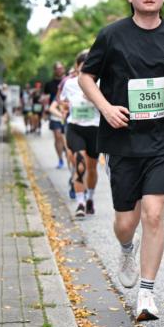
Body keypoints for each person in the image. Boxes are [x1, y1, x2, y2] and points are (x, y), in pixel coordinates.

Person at [79, 0, 164, 322]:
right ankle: (125, 248)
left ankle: (147, 294)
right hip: (122, 139)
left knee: (153, 213)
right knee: (125, 221)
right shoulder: (112, 36)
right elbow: (86, 76)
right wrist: (105, 107)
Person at [52, 51, 100, 219]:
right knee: (79, 164)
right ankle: (80, 203)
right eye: (82, 67)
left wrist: (93, 98)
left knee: (92, 168)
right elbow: (61, 100)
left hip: (94, 128)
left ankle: (90, 198)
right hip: (75, 127)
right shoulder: (70, 84)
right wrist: (65, 107)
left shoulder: (101, 83)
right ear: (77, 67)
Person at [44, 62, 68, 169]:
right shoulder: (49, 84)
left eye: (61, 68)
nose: (59, 70)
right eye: (57, 68)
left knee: (66, 139)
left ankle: (68, 154)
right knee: (58, 136)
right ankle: (60, 159)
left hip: (67, 113)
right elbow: (45, 99)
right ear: (54, 70)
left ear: (64, 69)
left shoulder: (69, 81)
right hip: (55, 112)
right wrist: (45, 111)